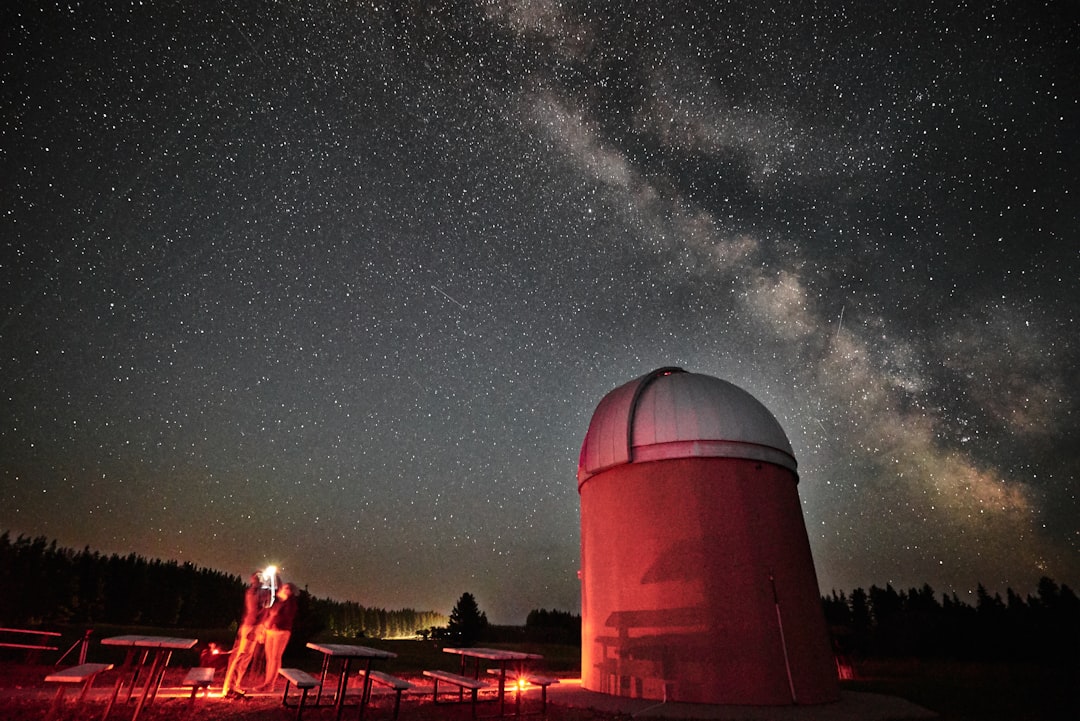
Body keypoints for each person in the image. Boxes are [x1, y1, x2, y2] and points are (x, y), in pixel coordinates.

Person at [221, 572, 268, 697]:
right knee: (242, 657)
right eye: (260, 578)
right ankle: (231, 688)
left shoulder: (254, 592)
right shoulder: (256, 593)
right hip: (251, 627)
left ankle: (232, 685)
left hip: (247, 626)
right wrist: (254, 630)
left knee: (240, 657)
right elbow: (258, 612)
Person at [257, 582, 298, 691]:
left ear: (289, 591)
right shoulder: (278, 602)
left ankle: (270, 684)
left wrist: (276, 623)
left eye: (285, 588)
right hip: (270, 632)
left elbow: (287, 616)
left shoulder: (290, 603)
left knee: (275, 657)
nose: (281, 589)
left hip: (281, 632)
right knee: (269, 658)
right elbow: (270, 615)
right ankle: (266, 682)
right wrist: (264, 627)